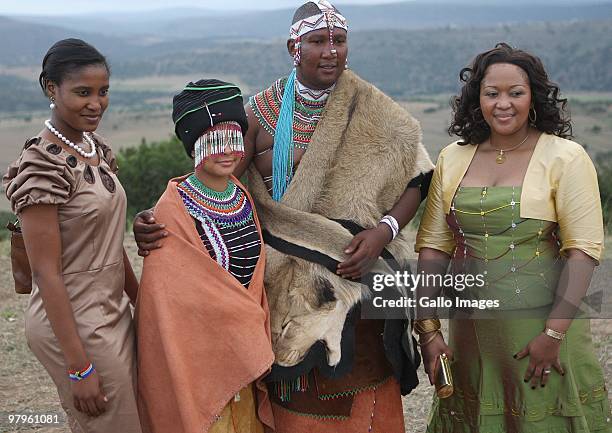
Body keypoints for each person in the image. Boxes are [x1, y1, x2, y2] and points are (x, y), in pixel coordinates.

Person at [134, 1, 433, 431]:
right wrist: (161, 214)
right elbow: (214, 181)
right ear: (293, 46)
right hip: (278, 288)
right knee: (295, 402)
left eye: (339, 41)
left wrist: (382, 234)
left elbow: (418, 177)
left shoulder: (373, 109)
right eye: (317, 41)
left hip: (354, 281)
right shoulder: (260, 111)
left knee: (366, 399)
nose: (330, 51)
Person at [414, 42, 612, 433]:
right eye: (492, 93)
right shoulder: (453, 158)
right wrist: (428, 330)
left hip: (542, 334)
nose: (503, 104)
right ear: (477, 99)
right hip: (471, 334)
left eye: (515, 93)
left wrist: (553, 334)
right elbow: (434, 247)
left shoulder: (565, 158)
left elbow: (582, 253)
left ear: (534, 97)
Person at [3, 39, 141, 433]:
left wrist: (140, 301)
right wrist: (79, 367)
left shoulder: (95, 149)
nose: (96, 103)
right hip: (72, 320)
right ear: (51, 89)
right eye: (83, 93)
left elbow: (111, 240)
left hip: (111, 309)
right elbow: (46, 273)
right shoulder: (42, 166)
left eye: (103, 92)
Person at [135, 80, 275, 433]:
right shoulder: (172, 210)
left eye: (234, 139)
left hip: (243, 350)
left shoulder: (241, 196)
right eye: (213, 142)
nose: (227, 151)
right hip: (198, 358)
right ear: (193, 147)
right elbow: (167, 305)